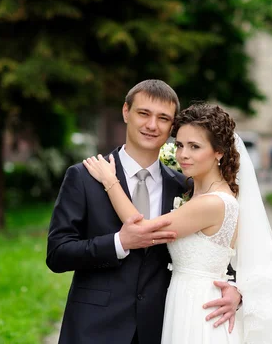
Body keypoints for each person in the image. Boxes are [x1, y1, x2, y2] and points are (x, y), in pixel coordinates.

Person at [46, 80, 241, 344]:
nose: (152, 125)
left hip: (163, 327)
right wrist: (118, 243)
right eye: (143, 113)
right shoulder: (85, 176)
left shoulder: (184, 185)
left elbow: (218, 247)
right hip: (94, 329)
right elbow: (58, 254)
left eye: (163, 118)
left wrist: (236, 291)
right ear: (126, 112)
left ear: (172, 126)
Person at [84, 103, 272, 343]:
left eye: (195, 147)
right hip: (185, 302)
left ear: (219, 152)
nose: (183, 154)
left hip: (199, 310)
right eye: (180, 145)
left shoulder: (211, 203)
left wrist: (110, 181)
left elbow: (142, 230)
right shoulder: (196, 192)